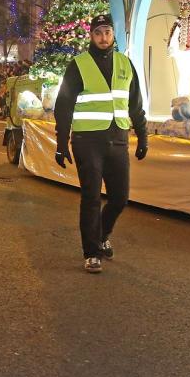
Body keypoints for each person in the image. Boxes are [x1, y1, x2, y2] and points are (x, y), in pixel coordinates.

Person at [54, 14, 149, 274]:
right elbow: (64, 107)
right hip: (87, 141)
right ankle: (91, 252)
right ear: (91, 36)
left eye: (107, 32)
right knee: (91, 197)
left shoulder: (125, 64)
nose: (103, 37)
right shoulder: (78, 65)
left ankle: (102, 234)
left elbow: (135, 105)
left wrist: (142, 136)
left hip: (117, 140)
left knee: (120, 198)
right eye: (98, 33)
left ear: (113, 34)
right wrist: (61, 142)